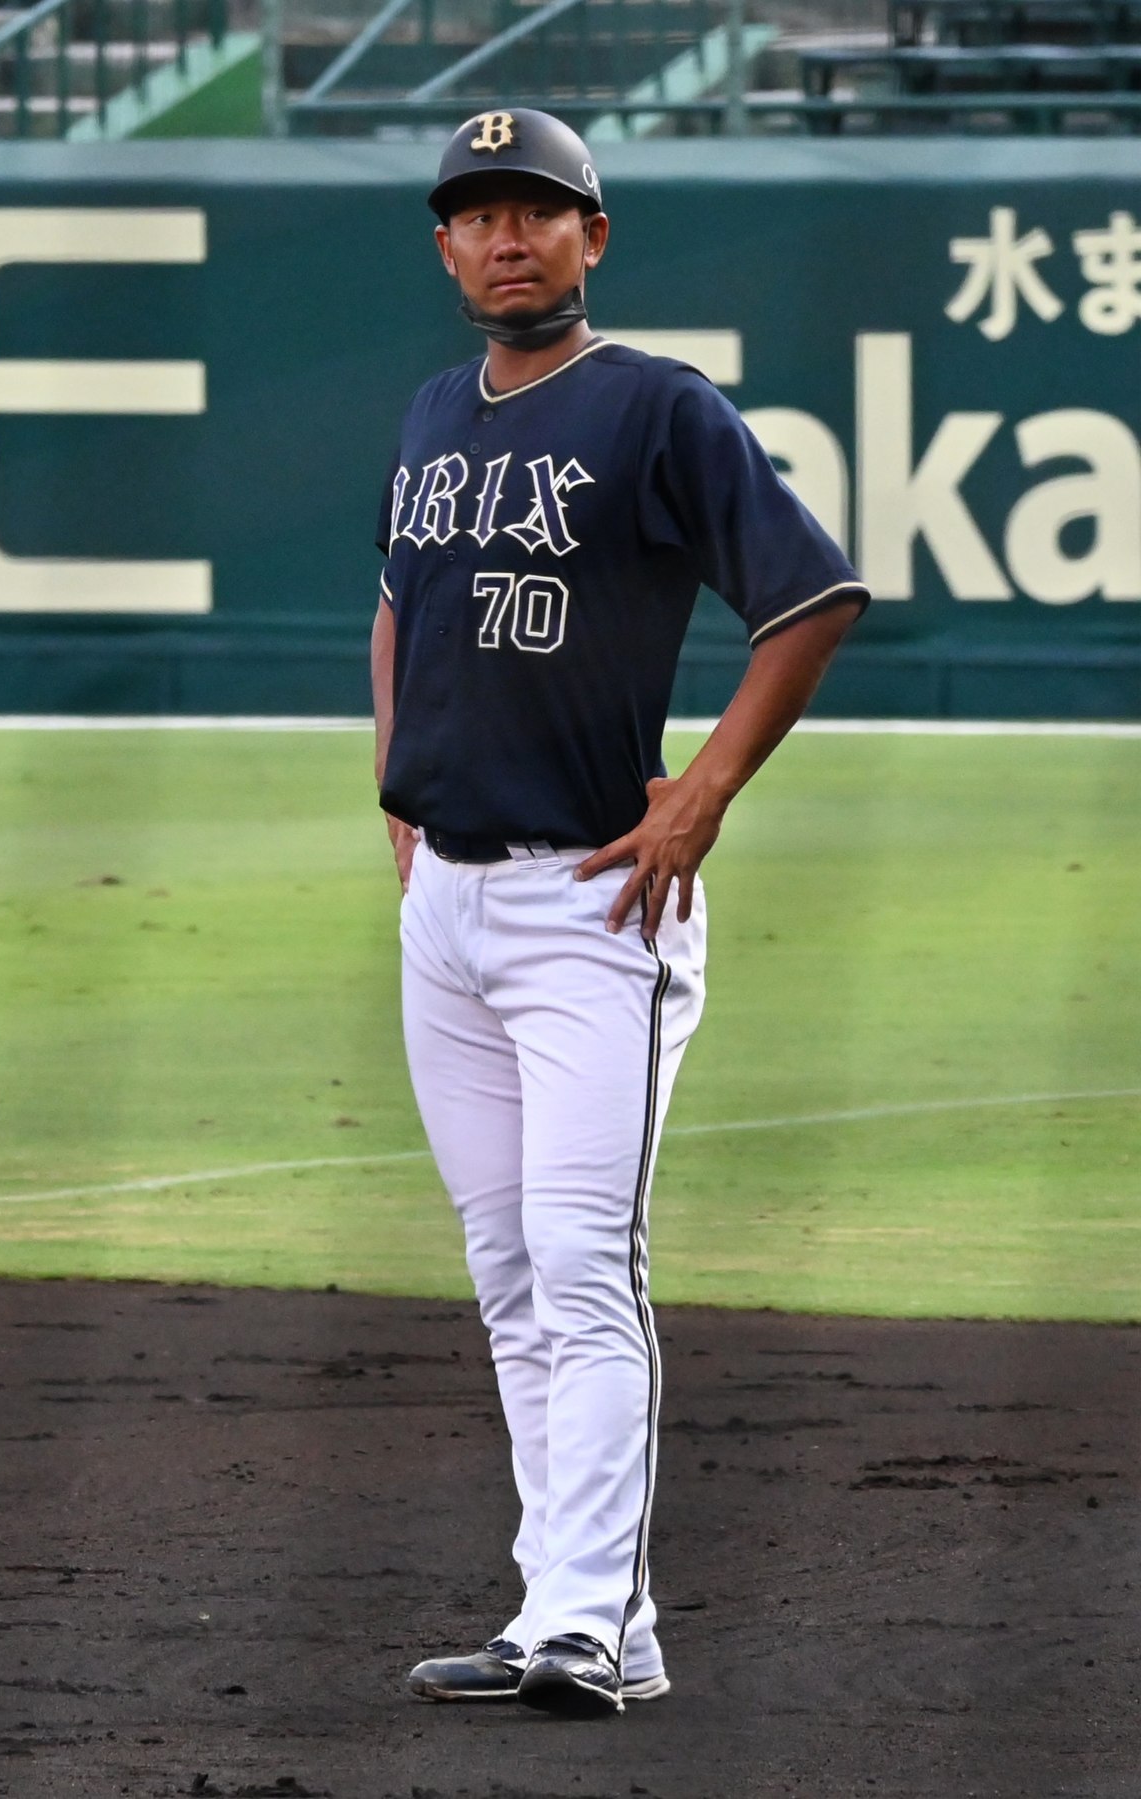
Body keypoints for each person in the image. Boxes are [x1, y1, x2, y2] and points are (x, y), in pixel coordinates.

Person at [371, 108, 869, 1719]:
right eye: (478, 213)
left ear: (597, 237)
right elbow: (398, 607)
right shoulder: (435, 414)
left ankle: (588, 1619)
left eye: (540, 210)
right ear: (443, 247)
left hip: (596, 906)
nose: (507, 236)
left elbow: (810, 595)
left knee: (586, 1263)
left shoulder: (658, 410)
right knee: (510, 1266)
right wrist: (398, 808)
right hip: (447, 911)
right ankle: (580, 1615)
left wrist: (705, 788)